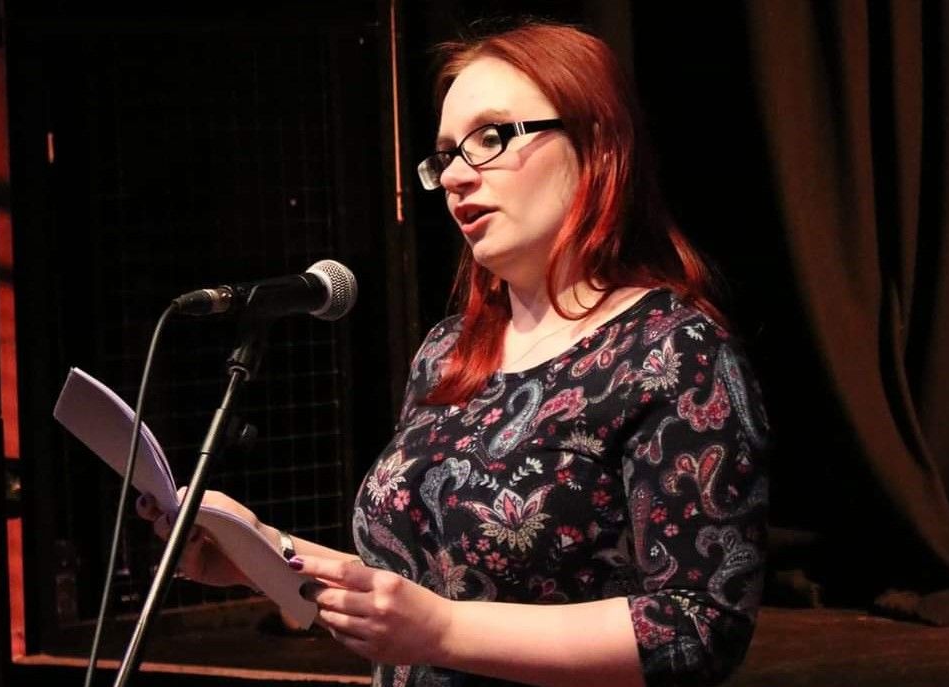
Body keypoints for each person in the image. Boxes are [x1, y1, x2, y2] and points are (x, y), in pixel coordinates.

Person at [138, 22, 769, 687]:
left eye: (491, 138)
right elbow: (406, 589)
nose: (458, 178)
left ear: (596, 144)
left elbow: (698, 625)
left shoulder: (674, 352)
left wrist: (442, 630)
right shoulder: (448, 352)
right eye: (444, 156)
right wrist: (261, 550)